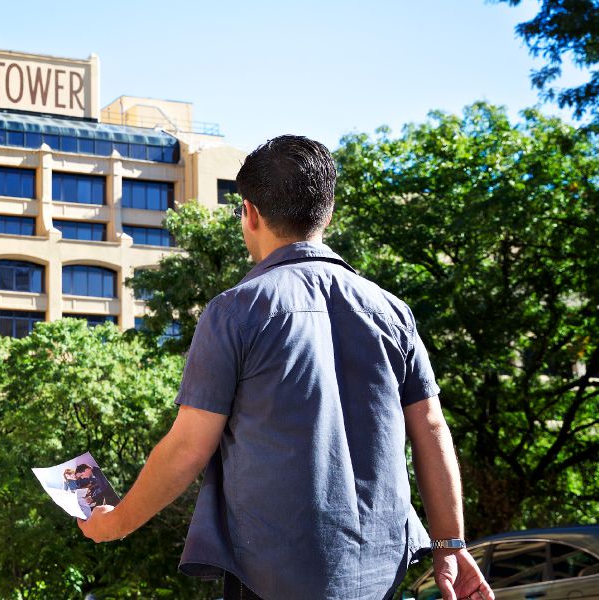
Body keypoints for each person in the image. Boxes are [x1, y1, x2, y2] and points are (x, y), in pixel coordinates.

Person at [78, 135, 495, 600]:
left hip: (272, 576)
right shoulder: (393, 311)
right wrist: (451, 545)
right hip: (379, 576)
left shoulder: (236, 310)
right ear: (327, 213)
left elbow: (188, 447)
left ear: (250, 213)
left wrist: (115, 523)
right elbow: (432, 429)